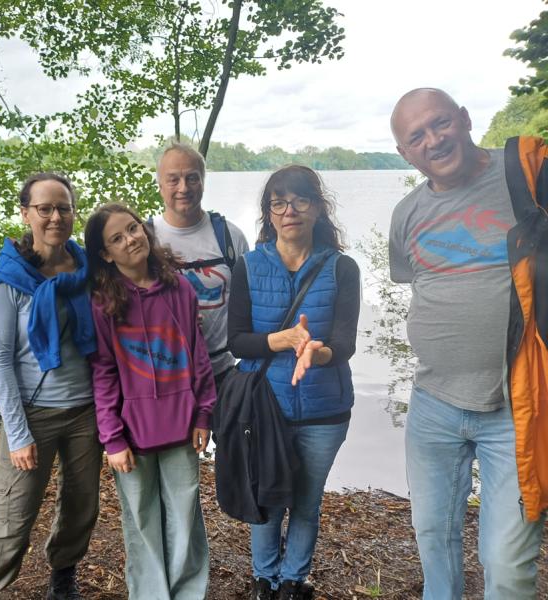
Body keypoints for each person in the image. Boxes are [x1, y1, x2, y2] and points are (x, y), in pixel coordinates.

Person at [389, 87, 545, 599]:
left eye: (440, 124)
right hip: (432, 404)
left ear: (465, 118)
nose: (434, 141)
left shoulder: (529, 175)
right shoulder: (407, 213)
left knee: (506, 566)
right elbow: (420, 284)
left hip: (515, 406)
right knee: (434, 541)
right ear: (404, 153)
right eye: (417, 136)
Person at [0, 173, 101, 600]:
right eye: (45, 208)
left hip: (85, 412)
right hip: (32, 414)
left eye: (64, 207)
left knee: (81, 508)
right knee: (13, 517)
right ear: (26, 214)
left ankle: (62, 576)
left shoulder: (89, 270)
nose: (56, 216)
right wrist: (18, 432)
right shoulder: (10, 279)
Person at [228, 165, 360, 600]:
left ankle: (292, 581)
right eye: (279, 202)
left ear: (318, 208)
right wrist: (280, 340)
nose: (290, 210)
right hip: (265, 406)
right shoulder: (247, 266)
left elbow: (344, 343)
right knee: (266, 497)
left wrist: (317, 352)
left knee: (306, 500)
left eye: (301, 200)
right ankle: (264, 579)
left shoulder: (342, 268)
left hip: (325, 410)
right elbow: (237, 342)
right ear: (269, 212)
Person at [85, 203, 216, 599]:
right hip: (132, 433)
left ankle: (188, 592)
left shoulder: (180, 288)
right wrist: (112, 437)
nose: (131, 239)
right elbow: (104, 372)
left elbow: (198, 355)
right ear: (106, 254)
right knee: (141, 520)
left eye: (133, 228)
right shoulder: (104, 303)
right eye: (117, 238)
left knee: (184, 514)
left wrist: (203, 414)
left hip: (181, 426)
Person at [150, 142, 249, 388]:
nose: (183, 188)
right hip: (167, 377)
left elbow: (250, 304)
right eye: (173, 180)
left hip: (224, 373)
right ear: (160, 185)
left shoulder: (229, 236)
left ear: (203, 182)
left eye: (192, 178)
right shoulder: (144, 239)